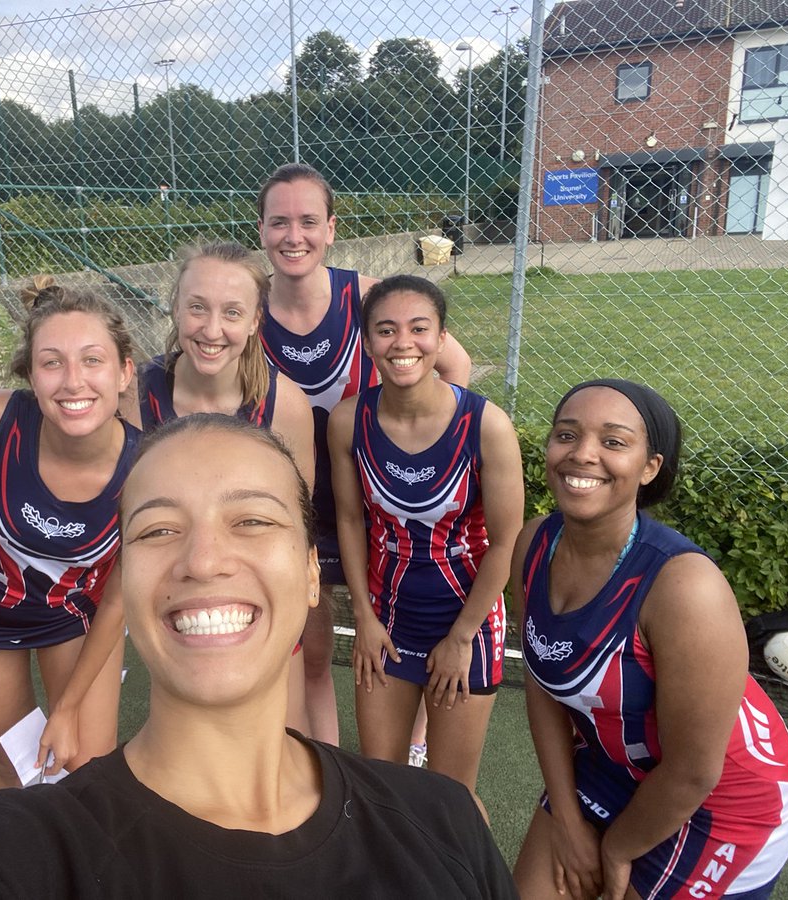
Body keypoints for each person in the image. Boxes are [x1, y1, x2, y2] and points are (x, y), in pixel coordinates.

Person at [0, 414, 519, 898]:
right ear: (123, 580)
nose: (202, 560)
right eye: (158, 529)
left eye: (253, 520)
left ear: (313, 574)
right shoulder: (18, 857)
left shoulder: (443, 821)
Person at [511, 380, 788, 900]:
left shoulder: (685, 587)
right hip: (612, 765)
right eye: (566, 434)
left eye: (614, 442)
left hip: (724, 800)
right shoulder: (534, 543)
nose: (583, 454)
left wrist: (616, 848)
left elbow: (695, 772)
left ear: (650, 467)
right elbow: (541, 685)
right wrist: (569, 821)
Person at [256, 163, 473, 745]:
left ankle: (420, 746)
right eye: (279, 222)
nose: (293, 236)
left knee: (409, 636)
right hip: (295, 509)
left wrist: (426, 442)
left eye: (308, 221)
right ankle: (322, 761)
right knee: (314, 646)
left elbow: (454, 367)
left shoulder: (369, 298)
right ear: (261, 231)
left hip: (377, 505)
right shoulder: (246, 313)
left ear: (331, 228)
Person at [0, 277, 137, 789]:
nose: (73, 381)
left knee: (87, 769)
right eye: (51, 362)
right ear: (29, 375)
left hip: (75, 610)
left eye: (92, 360)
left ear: (124, 371)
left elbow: (116, 603)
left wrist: (65, 710)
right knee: (18, 770)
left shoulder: (147, 467)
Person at [327, 275, 523, 801]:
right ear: (368, 342)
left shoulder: (487, 425)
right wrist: (363, 619)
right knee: (382, 786)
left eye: (419, 328)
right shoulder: (350, 421)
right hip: (386, 623)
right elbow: (350, 520)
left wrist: (462, 639)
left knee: (451, 796)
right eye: (386, 330)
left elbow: (506, 542)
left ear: (440, 338)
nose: (403, 344)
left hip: (466, 627)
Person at [131, 240, 315, 731]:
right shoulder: (135, 395)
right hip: (176, 599)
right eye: (197, 308)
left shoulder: (285, 408)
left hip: (254, 598)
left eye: (232, 312)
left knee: (281, 741)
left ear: (256, 322)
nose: (212, 330)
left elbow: (296, 530)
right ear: (174, 308)